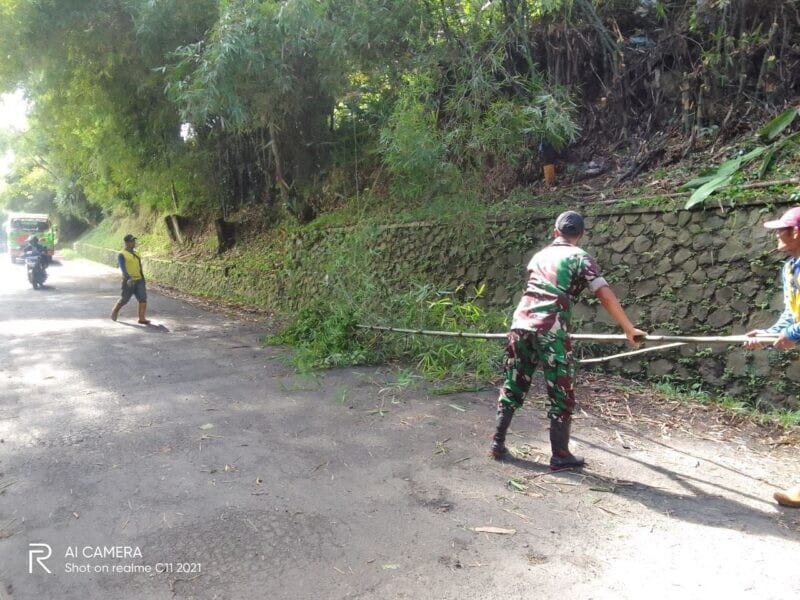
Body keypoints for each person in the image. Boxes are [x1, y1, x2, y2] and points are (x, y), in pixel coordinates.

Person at [490, 211, 647, 469]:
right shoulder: (581, 257)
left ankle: (497, 442)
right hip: (551, 328)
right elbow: (603, 292)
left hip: (520, 324)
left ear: (555, 232)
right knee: (561, 391)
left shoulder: (538, 256)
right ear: (581, 235)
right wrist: (628, 328)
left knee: (514, 382)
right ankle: (560, 455)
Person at [743, 205, 800, 508]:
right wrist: (767, 335)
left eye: (782, 229)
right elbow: (791, 314)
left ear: (797, 232)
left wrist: (794, 334)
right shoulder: (790, 268)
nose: (777, 235)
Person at [110, 234, 151, 325]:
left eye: (134, 241)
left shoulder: (136, 254)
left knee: (143, 299)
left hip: (139, 280)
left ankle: (142, 318)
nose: (133, 243)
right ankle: (115, 310)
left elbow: (139, 268)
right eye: (131, 241)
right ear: (126, 243)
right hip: (129, 281)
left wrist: (143, 279)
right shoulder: (122, 254)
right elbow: (122, 268)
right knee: (124, 299)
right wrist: (128, 278)